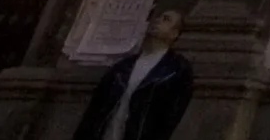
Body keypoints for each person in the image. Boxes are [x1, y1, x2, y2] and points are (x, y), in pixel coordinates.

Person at [74, 8, 194, 140]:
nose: (158, 21)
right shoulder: (123, 67)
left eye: (166, 20)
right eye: (158, 17)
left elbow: (170, 117)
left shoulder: (176, 70)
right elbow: (96, 108)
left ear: (174, 33)